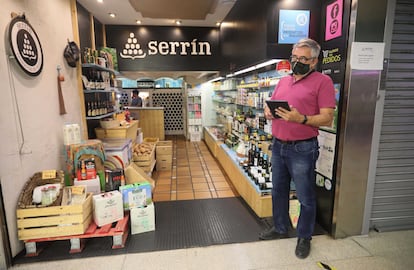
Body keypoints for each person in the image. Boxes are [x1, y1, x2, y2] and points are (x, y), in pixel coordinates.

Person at [259, 38, 336, 259]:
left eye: (303, 58)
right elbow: (272, 104)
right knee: (278, 190)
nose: (297, 62)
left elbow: (327, 118)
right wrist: (268, 110)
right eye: (294, 58)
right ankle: (280, 227)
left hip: (303, 149)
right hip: (279, 145)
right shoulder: (284, 82)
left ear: (313, 61)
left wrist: (300, 118)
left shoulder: (323, 82)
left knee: (305, 196)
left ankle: (304, 236)